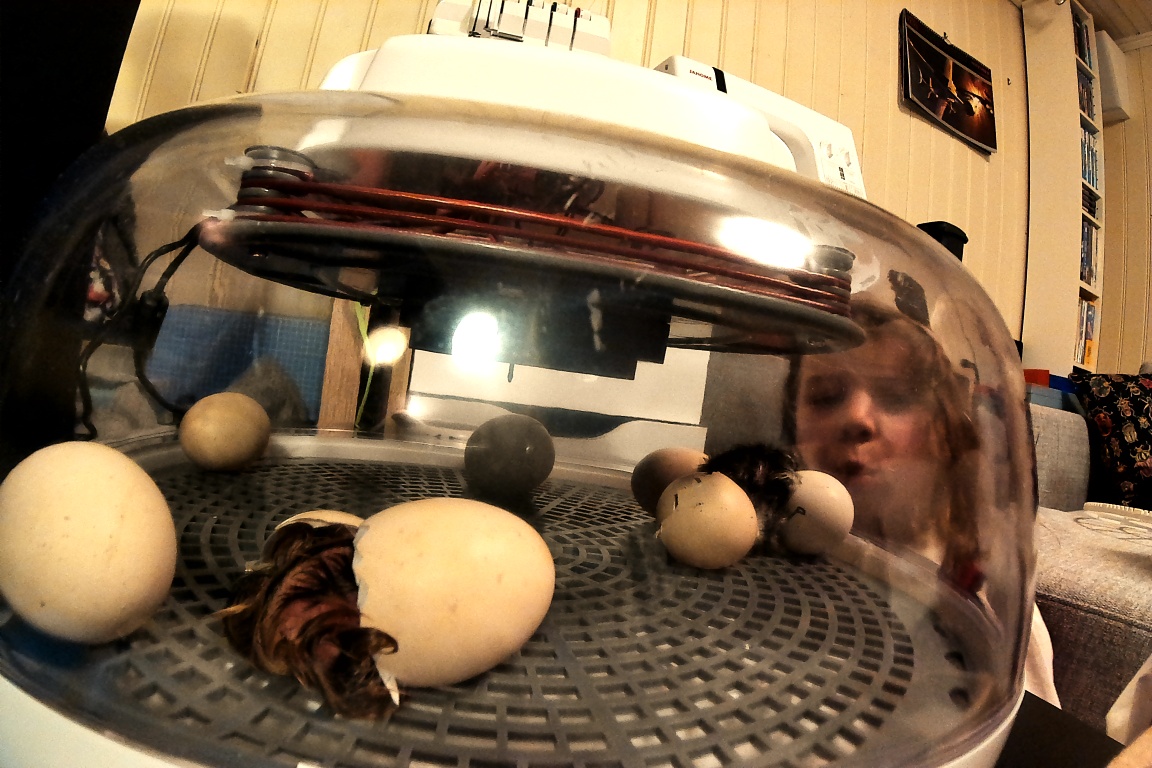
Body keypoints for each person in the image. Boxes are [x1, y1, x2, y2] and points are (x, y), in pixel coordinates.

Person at [784, 291, 1061, 707]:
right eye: (824, 396)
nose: (856, 418)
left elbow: (1028, 722)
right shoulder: (779, 537)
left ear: (942, 431)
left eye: (897, 396)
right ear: (792, 422)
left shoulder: (980, 582)